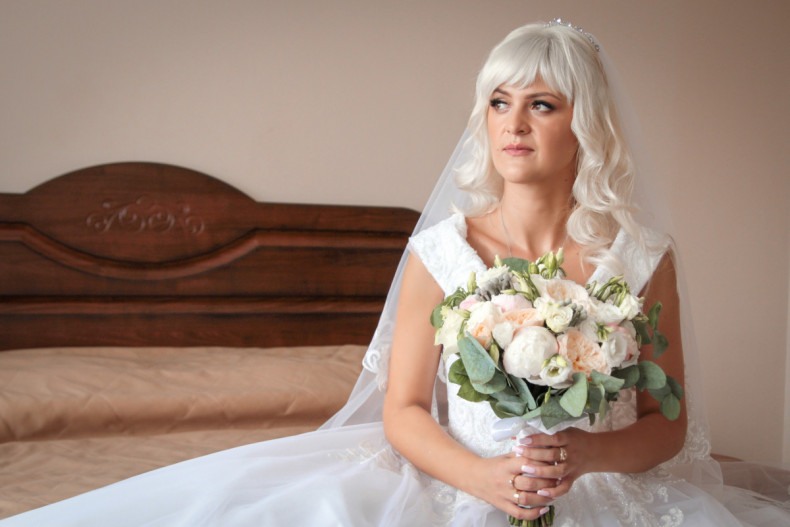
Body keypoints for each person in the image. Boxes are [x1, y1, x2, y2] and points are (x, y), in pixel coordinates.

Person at [2, 20, 788, 527]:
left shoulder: (643, 257)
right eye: (499, 102)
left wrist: (585, 455)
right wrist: (482, 479)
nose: (513, 123)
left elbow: (666, 422)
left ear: (587, 124)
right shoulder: (443, 251)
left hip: (612, 494)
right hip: (462, 485)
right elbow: (405, 409)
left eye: (542, 104)